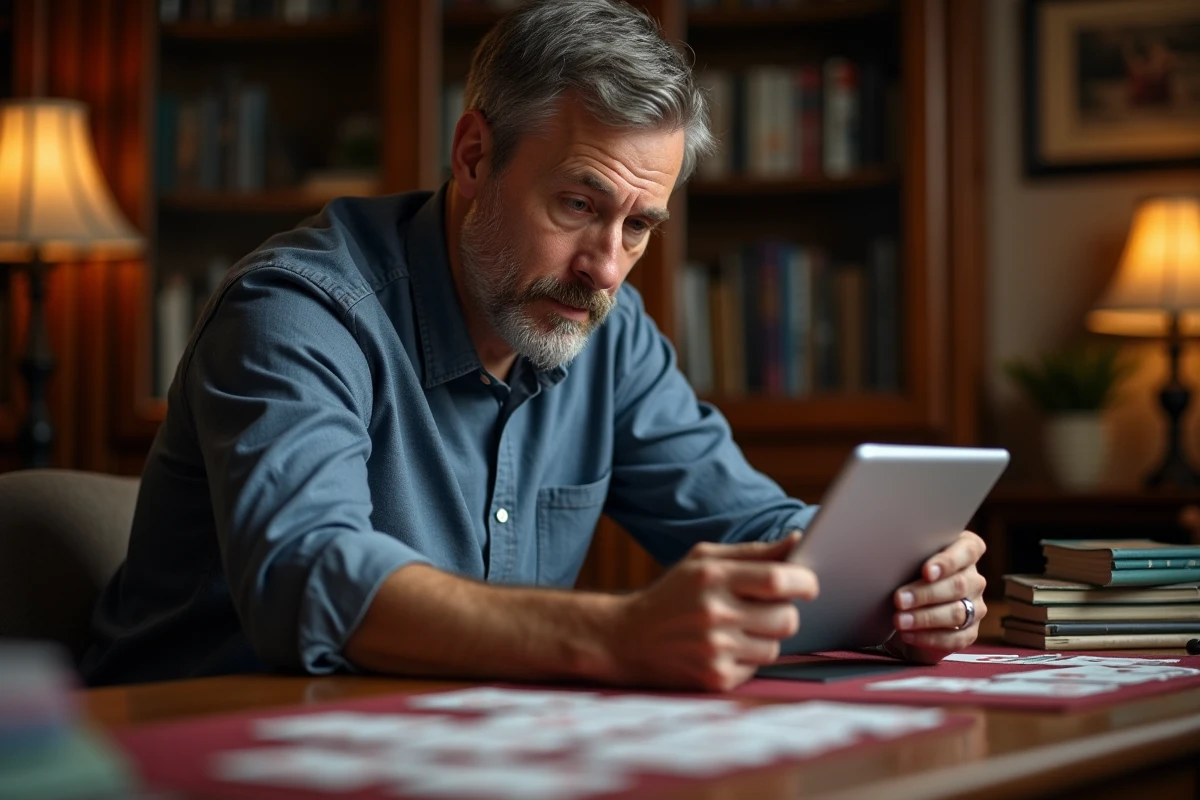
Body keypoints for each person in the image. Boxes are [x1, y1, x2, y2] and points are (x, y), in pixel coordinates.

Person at [82, 0, 987, 690]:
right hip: (201, 742)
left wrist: (894, 590)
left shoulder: (608, 332)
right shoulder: (298, 312)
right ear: (474, 157)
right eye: (579, 205)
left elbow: (747, 528)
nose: (604, 268)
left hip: (448, 744)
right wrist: (618, 634)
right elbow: (307, 574)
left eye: (639, 226)